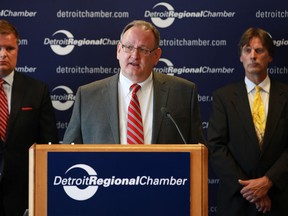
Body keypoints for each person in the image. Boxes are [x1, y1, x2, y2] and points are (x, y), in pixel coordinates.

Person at [63, 20, 205, 145]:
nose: (134, 56)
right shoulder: (87, 96)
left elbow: (198, 152)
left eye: (143, 50)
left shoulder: (183, 92)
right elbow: (69, 151)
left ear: (156, 56)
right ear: (119, 50)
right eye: (129, 47)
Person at [207, 27, 288, 216]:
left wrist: (268, 181)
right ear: (241, 57)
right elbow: (216, 147)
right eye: (247, 50)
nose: (253, 56)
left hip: (280, 200)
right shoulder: (223, 97)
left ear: (270, 57)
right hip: (237, 202)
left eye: (259, 50)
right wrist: (251, 191)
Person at [0, 20, 59, 216]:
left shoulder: (37, 91)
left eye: (9, 48)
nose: (3, 54)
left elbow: (48, 147)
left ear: (18, 49)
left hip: (23, 197)